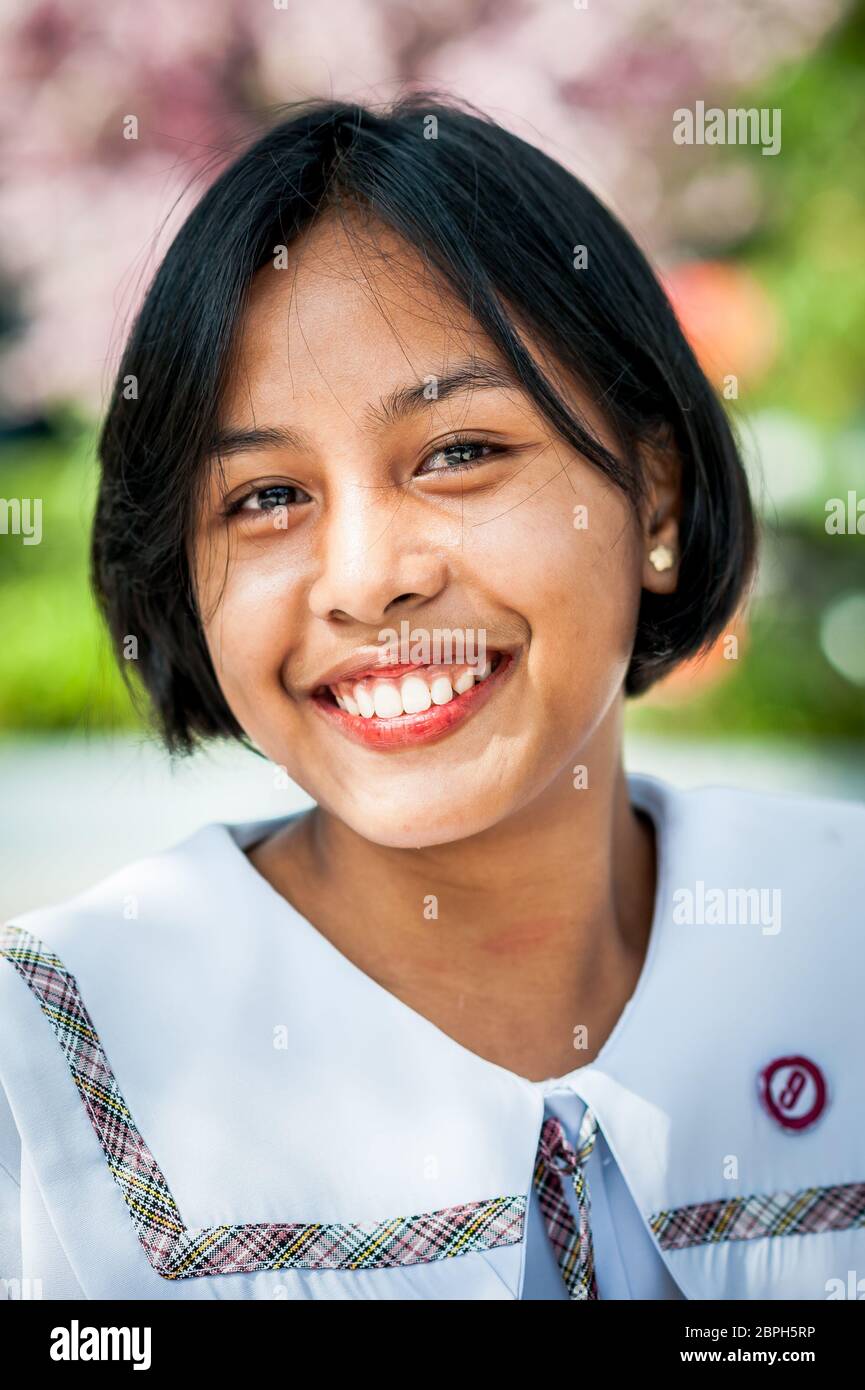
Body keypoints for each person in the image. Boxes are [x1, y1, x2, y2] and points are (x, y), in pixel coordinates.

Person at [1, 97, 862, 1302]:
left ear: (654, 501)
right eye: (261, 497)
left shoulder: (837, 936)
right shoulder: (44, 1075)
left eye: (458, 452)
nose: (365, 579)